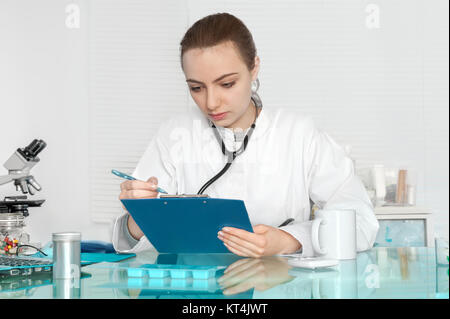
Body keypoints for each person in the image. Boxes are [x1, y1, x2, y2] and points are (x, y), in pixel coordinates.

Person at [112, 13, 379, 258]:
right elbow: (134, 242)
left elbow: (361, 221)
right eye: (196, 88)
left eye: (227, 84)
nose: (211, 103)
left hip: (278, 287)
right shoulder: (173, 135)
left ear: (254, 68)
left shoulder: (299, 134)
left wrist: (290, 240)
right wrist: (140, 218)